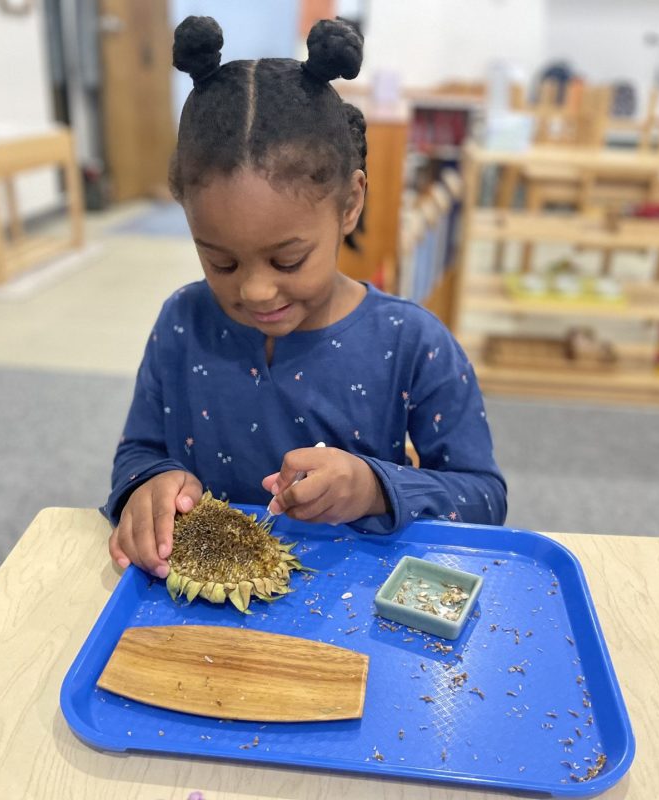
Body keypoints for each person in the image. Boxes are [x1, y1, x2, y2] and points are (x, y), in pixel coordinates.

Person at [102, 15, 507, 577]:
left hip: (353, 602)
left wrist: (375, 487)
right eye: (221, 262)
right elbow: (138, 452)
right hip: (202, 602)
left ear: (350, 203)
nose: (255, 290)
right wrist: (148, 485)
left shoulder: (412, 342)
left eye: (287, 260)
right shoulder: (182, 321)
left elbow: (484, 498)